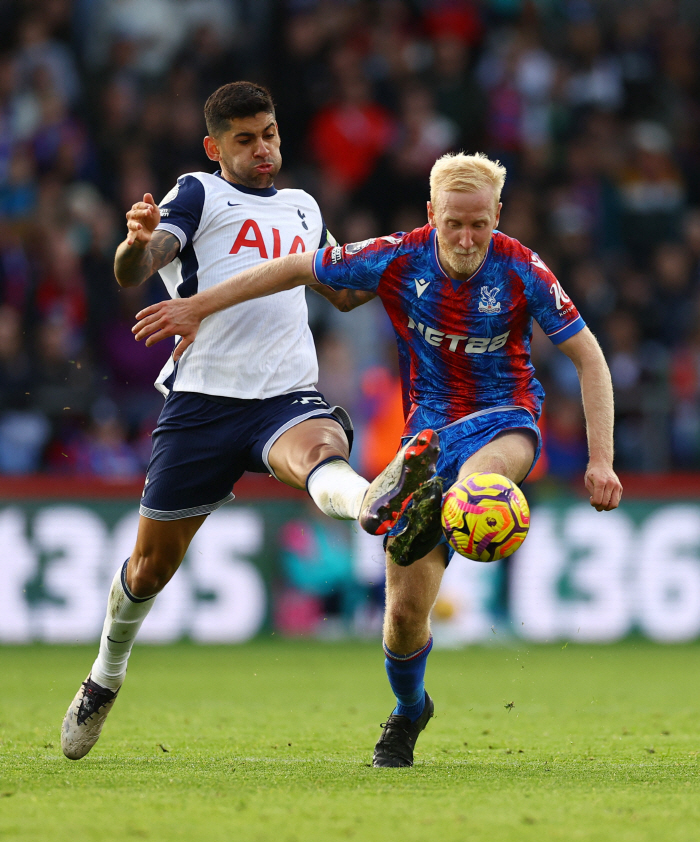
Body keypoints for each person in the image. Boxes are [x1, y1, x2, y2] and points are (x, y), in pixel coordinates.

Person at [132, 151, 623, 768]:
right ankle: (411, 709)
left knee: (478, 478)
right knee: (401, 621)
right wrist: (199, 305)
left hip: (505, 422)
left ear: (498, 215)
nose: (468, 238)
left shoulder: (523, 269)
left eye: (480, 224)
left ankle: (442, 497)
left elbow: (590, 358)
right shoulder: (398, 254)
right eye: (454, 224)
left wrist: (601, 461)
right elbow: (291, 268)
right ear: (431, 215)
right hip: (426, 437)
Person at [60, 82, 440, 761]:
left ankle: (375, 499)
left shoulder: (301, 206)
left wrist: (400, 260)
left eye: (268, 133)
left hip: (283, 395)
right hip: (202, 404)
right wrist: (135, 243)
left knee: (321, 449)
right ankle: (103, 678)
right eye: (244, 138)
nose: (262, 147)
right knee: (147, 571)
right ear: (215, 148)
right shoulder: (198, 194)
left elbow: (343, 291)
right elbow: (134, 269)